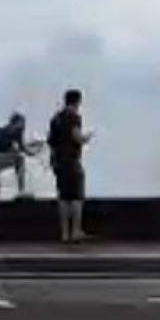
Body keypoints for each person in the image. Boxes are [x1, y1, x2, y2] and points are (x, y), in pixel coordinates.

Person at [0, 113, 43, 243]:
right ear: (12, 124)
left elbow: (25, 150)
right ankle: (21, 190)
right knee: (18, 159)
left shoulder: (15, 133)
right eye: (19, 126)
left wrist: (37, 148)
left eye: (22, 126)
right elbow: (18, 154)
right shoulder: (2, 132)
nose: (21, 129)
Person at [47, 89, 94, 243]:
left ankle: (64, 233)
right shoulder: (74, 117)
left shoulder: (56, 118)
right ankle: (75, 231)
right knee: (76, 197)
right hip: (71, 161)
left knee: (63, 197)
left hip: (57, 161)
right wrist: (86, 137)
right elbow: (77, 137)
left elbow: (50, 141)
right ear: (77, 101)